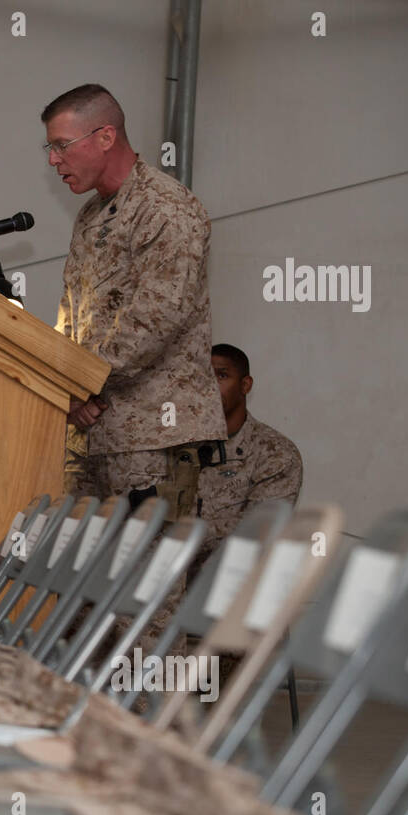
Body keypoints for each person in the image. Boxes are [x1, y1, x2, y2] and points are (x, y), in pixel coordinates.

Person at [44, 84, 225, 516]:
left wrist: (82, 387)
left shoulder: (166, 208)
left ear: (105, 137)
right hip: (91, 434)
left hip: (152, 436)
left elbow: (155, 320)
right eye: (49, 148)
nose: (53, 160)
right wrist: (64, 388)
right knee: (79, 571)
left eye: (61, 146)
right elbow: (72, 318)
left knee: (148, 577)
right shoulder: (91, 215)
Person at [192, 344, 304, 575]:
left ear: (245, 385)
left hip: (226, 587)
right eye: (204, 377)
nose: (210, 387)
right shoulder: (178, 444)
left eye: (222, 376)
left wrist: (181, 535)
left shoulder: (275, 452)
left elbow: (255, 537)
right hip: (165, 585)